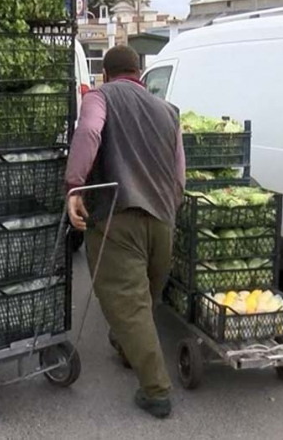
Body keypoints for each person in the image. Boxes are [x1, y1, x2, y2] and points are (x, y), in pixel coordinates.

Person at [65, 45, 185, 418]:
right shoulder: (168, 111)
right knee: (144, 296)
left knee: (129, 304)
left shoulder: (101, 97)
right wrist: (169, 204)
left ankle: (156, 391)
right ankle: (125, 346)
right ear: (139, 71)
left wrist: (74, 184)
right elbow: (180, 171)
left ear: (106, 74)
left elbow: (89, 132)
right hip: (163, 217)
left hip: (119, 214)